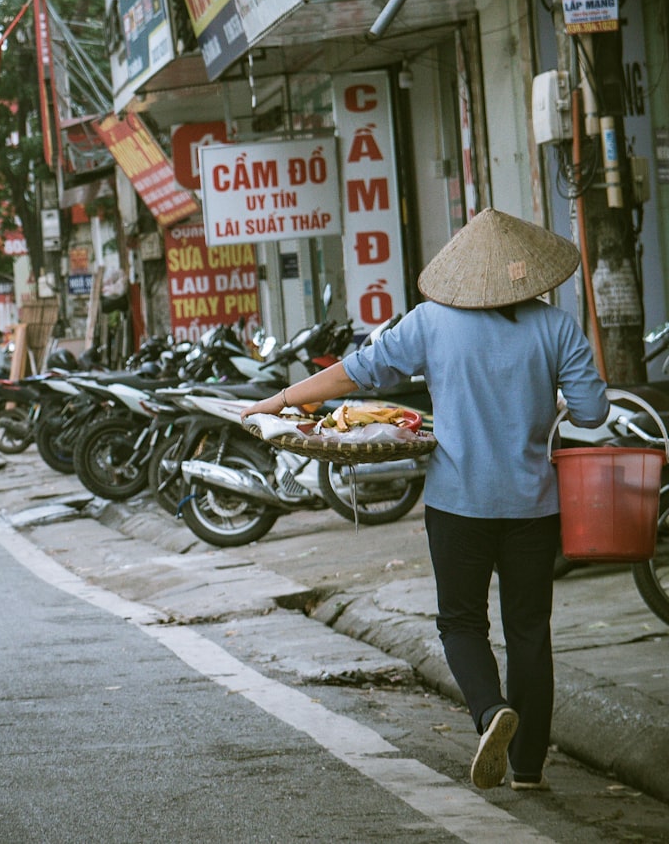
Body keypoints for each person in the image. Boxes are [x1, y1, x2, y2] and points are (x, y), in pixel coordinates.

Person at [240, 208, 608, 792]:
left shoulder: (431, 322)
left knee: (460, 623)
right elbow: (592, 413)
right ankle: (530, 770)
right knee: (530, 632)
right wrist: (552, 406)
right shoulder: (557, 327)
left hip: (458, 504)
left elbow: (353, 375)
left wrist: (279, 399)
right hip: (534, 506)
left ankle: (491, 713)